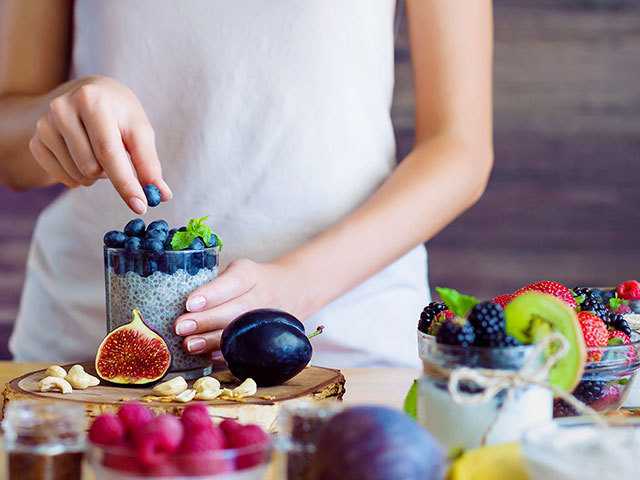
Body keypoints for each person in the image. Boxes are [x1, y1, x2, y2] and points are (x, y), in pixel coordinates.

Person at [0, 1, 493, 367]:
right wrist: (60, 112)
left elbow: (459, 149)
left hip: (343, 339)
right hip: (88, 343)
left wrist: (301, 282)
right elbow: (14, 160)